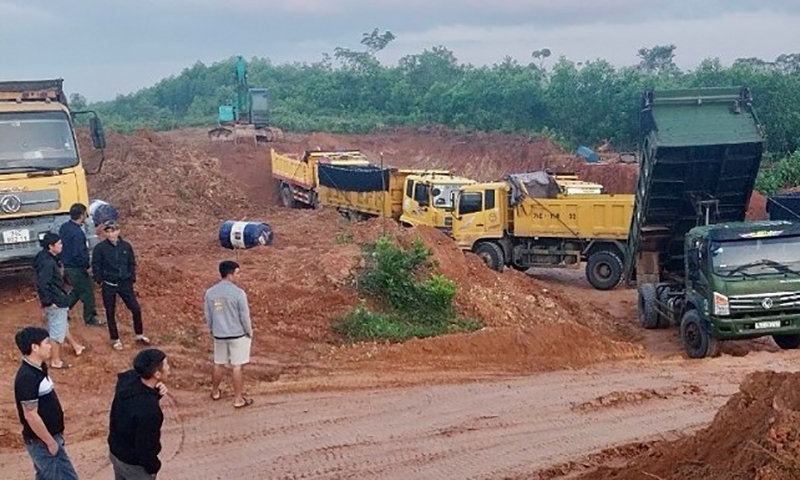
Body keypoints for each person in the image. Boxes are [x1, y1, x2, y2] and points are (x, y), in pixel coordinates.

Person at [14, 326, 79, 480]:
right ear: (34, 347)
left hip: (47, 439)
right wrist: (50, 442)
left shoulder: (39, 367)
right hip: (42, 442)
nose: (50, 346)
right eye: (46, 343)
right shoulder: (27, 377)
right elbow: (30, 415)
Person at [108, 348, 170, 479]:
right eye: (166, 365)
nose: (169, 368)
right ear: (157, 374)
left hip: (116, 453)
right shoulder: (150, 411)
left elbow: (135, 403)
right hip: (135, 467)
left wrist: (154, 393)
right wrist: (153, 468)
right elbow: (146, 447)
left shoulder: (127, 380)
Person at [92, 220, 150, 351]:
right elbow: (96, 265)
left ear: (118, 231)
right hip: (109, 284)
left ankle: (139, 334)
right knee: (110, 312)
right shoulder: (100, 248)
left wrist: (131, 277)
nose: (111, 234)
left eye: (113, 230)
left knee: (135, 309)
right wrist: (100, 279)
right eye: (108, 231)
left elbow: (131, 263)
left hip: (125, 284)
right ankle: (115, 339)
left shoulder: (126, 246)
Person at [204, 260, 254, 408]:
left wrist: (212, 329)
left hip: (219, 334)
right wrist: (249, 332)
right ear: (230, 275)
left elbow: (208, 315)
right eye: (238, 273)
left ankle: (215, 391)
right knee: (237, 366)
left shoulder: (210, 293)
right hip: (237, 334)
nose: (239, 276)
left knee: (218, 363)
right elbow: (244, 316)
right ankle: (238, 399)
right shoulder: (238, 293)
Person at [35, 232, 85, 369]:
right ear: (51, 246)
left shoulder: (43, 258)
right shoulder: (49, 262)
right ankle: (56, 361)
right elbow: (43, 284)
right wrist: (48, 301)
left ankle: (76, 346)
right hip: (56, 300)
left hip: (55, 299)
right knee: (56, 331)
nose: (62, 245)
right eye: (59, 243)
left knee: (61, 324)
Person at [60, 202, 105, 327]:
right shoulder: (77, 233)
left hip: (68, 265)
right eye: (85, 214)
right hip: (76, 267)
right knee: (87, 291)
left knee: (78, 290)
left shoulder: (65, 227)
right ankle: (90, 318)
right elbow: (78, 253)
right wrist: (86, 265)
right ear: (81, 215)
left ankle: (63, 309)